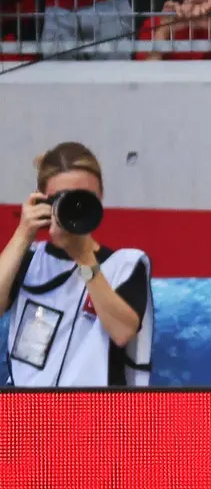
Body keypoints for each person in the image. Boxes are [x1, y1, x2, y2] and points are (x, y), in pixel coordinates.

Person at [0, 142, 154, 387]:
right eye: (62, 199)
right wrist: (22, 234)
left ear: (100, 198)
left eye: (83, 199)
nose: (73, 208)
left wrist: (83, 257)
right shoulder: (29, 260)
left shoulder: (125, 265)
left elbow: (122, 332)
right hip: (27, 406)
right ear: (42, 200)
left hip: (93, 408)